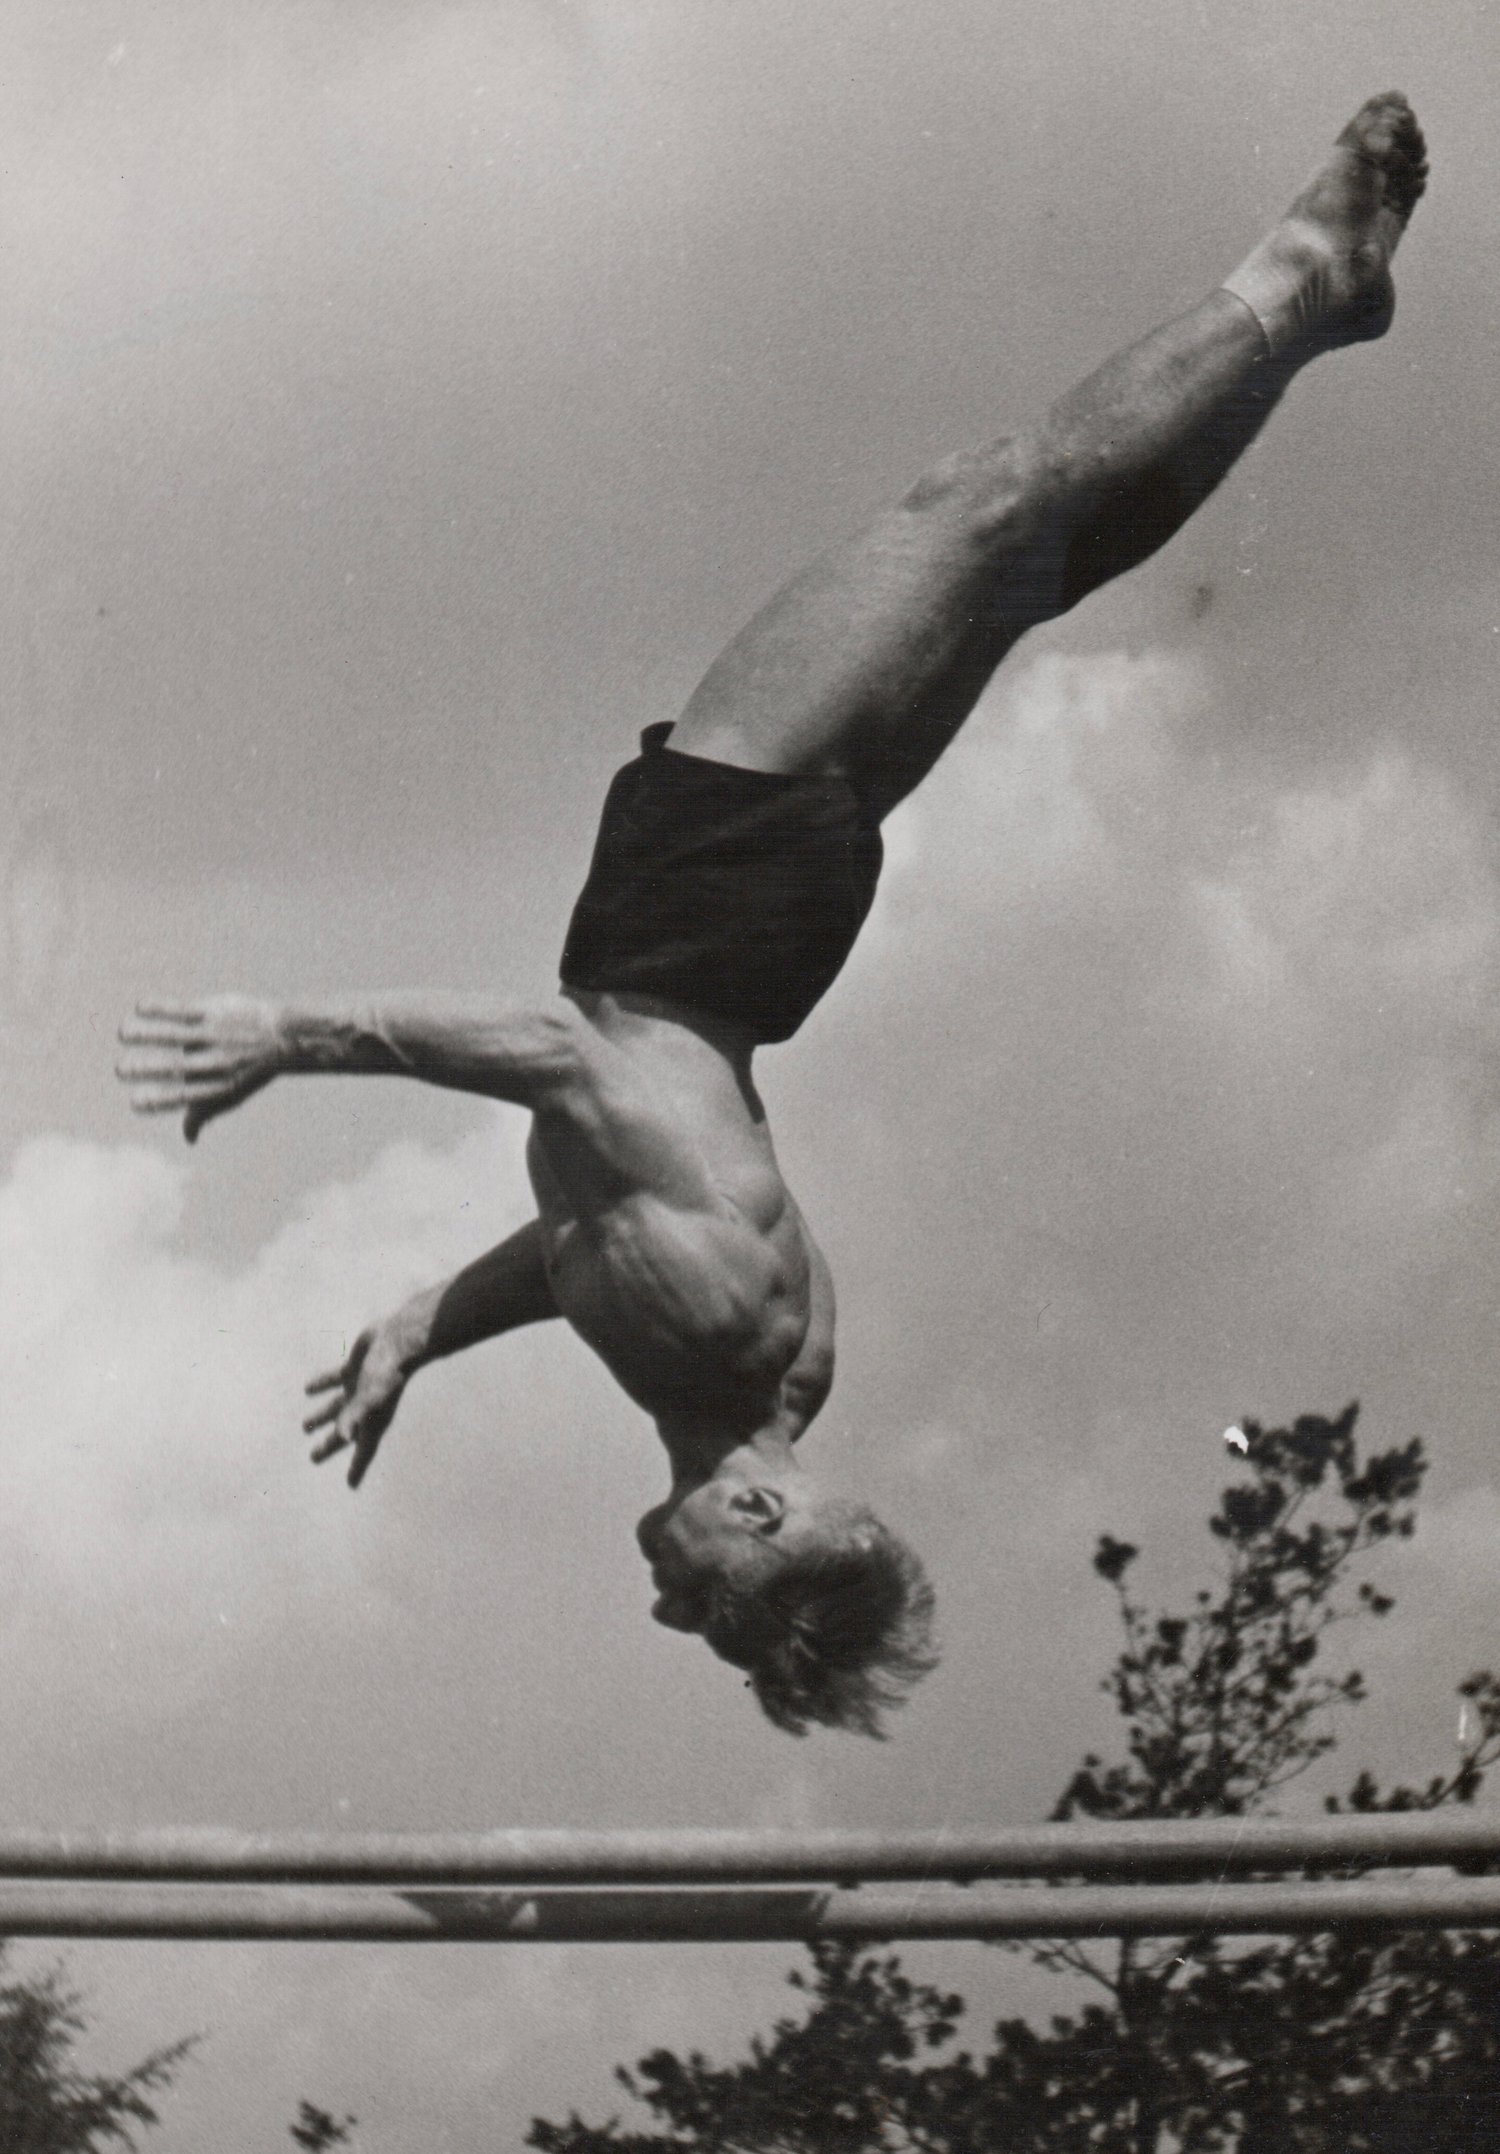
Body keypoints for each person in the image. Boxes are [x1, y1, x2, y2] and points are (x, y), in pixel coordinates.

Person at [118, 95, 1427, 1737]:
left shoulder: (749, 1375)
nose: (668, 1610)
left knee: (1029, 546)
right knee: (986, 506)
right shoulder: (718, 1332)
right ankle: (1299, 283)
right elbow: (575, 1068)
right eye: (714, 1615)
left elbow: (587, 1236)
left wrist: (420, 1324)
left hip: (751, 937)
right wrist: (292, 1034)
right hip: (700, 911)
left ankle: (1309, 310)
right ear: (756, 1520)